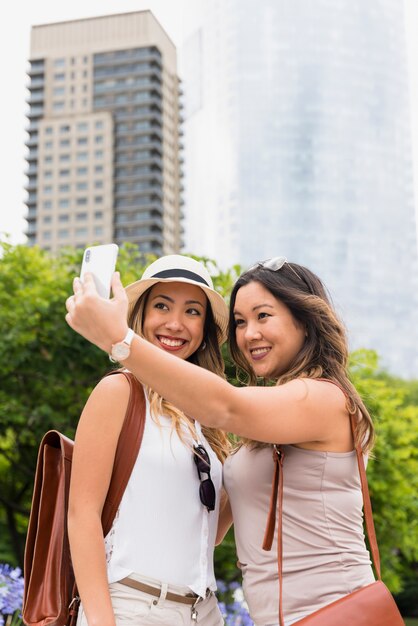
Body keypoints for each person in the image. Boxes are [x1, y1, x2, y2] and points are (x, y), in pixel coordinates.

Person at [66, 255, 376, 626]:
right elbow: (86, 512)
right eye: (241, 321)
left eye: (263, 316)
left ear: (305, 321)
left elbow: (224, 407)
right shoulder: (125, 392)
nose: (249, 334)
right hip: (150, 606)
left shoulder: (318, 399)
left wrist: (118, 338)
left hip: (328, 610)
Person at [67, 254, 230, 626]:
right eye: (162, 306)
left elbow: (208, 532)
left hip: (203, 612)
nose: (175, 324)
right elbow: (82, 516)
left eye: (192, 312)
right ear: (140, 315)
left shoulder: (207, 419)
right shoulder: (119, 391)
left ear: (204, 329)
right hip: (133, 607)